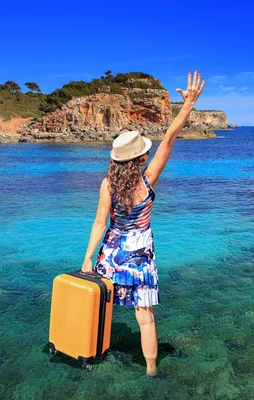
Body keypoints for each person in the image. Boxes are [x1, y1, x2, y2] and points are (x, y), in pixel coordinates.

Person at [82, 71, 206, 376]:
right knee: (145, 317)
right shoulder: (148, 179)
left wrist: (86, 259)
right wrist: (188, 104)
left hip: (111, 253)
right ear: (139, 159)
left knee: (102, 303)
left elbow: (100, 223)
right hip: (139, 255)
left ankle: (92, 350)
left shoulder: (107, 185)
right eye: (144, 152)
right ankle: (151, 370)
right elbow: (170, 137)